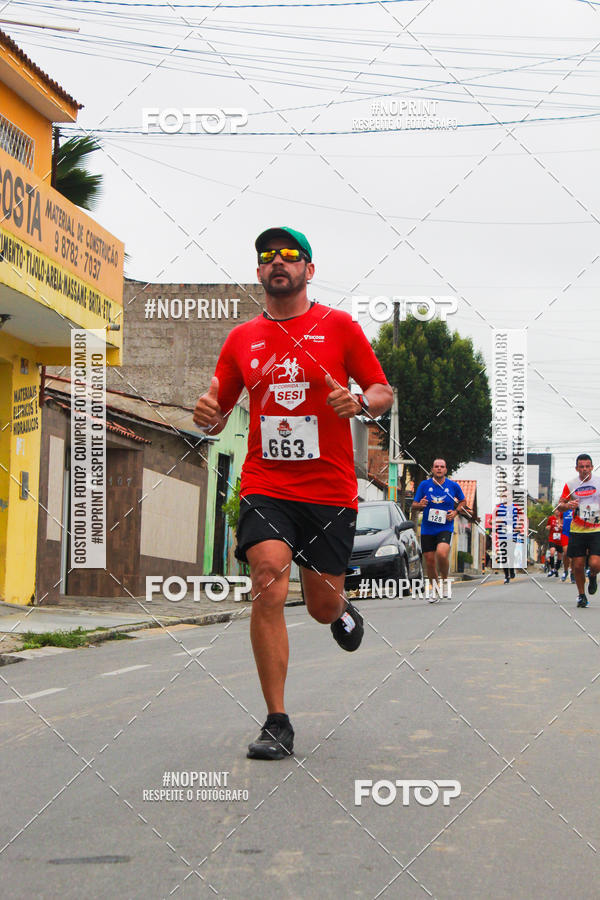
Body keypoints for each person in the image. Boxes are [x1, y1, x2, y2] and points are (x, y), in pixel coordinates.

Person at [193, 226, 393, 760]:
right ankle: (277, 721)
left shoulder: (339, 326)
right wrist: (207, 413)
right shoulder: (241, 339)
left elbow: (382, 390)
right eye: (268, 256)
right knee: (267, 580)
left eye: (289, 254)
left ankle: (342, 609)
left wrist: (360, 402)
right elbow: (216, 412)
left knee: (321, 607)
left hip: (329, 490)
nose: (277, 261)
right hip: (267, 484)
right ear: (259, 271)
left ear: (309, 267)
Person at [411, 459, 466, 601]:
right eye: (436, 466)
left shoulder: (453, 486)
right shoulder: (424, 485)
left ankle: (445, 581)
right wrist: (420, 504)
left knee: (441, 554)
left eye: (442, 467)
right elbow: (414, 505)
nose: (439, 469)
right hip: (427, 528)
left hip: (445, 526)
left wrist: (456, 512)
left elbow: (463, 501)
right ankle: (435, 591)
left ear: (446, 470)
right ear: (432, 469)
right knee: (429, 561)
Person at [557, 453, 600, 608]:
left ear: (592, 467)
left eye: (587, 466)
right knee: (577, 565)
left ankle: (593, 575)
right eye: (581, 467)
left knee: (595, 564)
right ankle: (582, 595)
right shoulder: (571, 485)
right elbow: (560, 506)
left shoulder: (598, 482)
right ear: (577, 468)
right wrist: (568, 505)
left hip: (596, 529)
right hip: (578, 530)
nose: (584, 469)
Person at [545, 513, 563, 578]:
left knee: (559, 556)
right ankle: (552, 569)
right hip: (552, 538)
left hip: (560, 539)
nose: (557, 512)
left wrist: (561, 527)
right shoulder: (551, 518)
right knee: (552, 552)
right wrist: (548, 527)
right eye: (556, 510)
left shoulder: (563, 518)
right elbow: (547, 526)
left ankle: (556, 570)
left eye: (559, 510)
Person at [560, 508, 574, 583]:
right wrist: (560, 524)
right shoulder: (564, 509)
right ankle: (565, 571)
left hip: (575, 533)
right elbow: (560, 518)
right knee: (566, 553)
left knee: (573, 555)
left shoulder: (578, 508)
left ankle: (572, 573)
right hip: (565, 533)